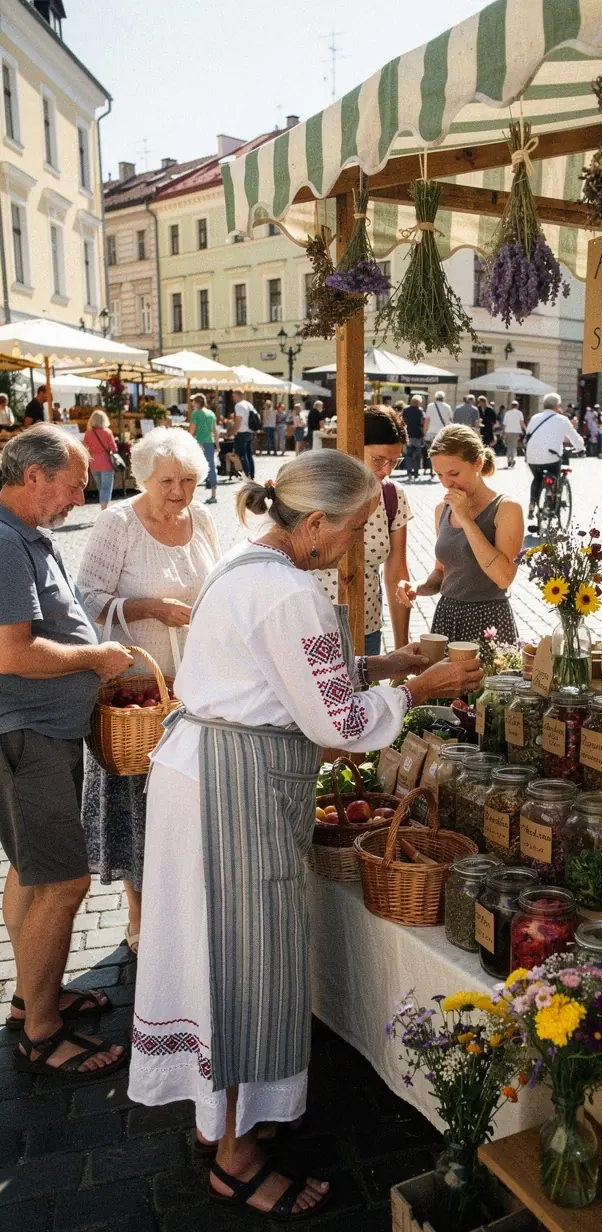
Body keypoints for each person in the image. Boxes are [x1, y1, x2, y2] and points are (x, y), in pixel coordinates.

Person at [127, 451, 482, 1214]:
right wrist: (418, 687)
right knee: (246, 959)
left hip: (203, 773)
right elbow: (340, 724)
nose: (355, 549)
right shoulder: (291, 592)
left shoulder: (244, 562)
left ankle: (219, 1115)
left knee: (212, 951)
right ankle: (237, 1157)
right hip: (235, 790)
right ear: (316, 523)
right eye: (353, 532)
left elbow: (280, 672)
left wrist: (381, 662)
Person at [0, 425, 133, 1076]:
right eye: (74, 484)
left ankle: (35, 996)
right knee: (63, 882)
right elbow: (12, 652)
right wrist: (96, 657)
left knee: (32, 872)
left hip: (40, 732)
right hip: (28, 734)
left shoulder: (27, 534)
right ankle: (42, 1032)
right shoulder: (6, 543)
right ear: (34, 477)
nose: (81, 496)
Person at [78, 427, 220, 954]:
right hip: (135, 693)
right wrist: (149, 609)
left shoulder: (203, 518)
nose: (179, 492)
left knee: (185, 804)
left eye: (188, 480)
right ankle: (139, 914)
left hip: (192, 688)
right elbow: (86, 597)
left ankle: (184, 906)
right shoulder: (118, 522)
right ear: (144, 478)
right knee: (136, 806)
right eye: (167, 482)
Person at [397, 425, 524, 642]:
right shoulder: (442, 510)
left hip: (489, 619)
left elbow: (504, 578)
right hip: (448, 616)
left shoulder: (506, 508)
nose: (446, 483)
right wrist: (417, 587)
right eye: (439, 475)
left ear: (478, 463)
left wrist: (466, 520)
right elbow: (442, 573)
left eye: (454, 473)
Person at [316, 406, 412, 654]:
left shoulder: (393, 495)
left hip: (367, 628)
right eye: (378, 460)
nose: (387, 470)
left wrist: (401, 649)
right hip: (313, 628)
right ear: (354, 449)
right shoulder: (319, 489)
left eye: (394, 461)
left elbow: (396, 574)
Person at [523, 393, 584, 530]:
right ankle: (552, 503)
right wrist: (581, 448)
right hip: (551, 457)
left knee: (537, 477)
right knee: (554, 476)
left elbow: (527, 435)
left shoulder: (535, 418)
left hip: (532, 456)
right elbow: (574, 438)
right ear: (557, 406)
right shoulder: (562, 419)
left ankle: (533, 502)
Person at [83, 410, 118, 511]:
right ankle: (104, 509)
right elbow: (114, 448)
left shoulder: (88, 433)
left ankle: (103, 507)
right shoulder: (107, 432)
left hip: (94, 463)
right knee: (106, 487)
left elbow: (85, 447)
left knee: (100, 487)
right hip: (106, 463)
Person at [188, 394, 218, 504]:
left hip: (199, 444)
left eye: (193, 402)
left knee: (194, 468)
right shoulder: (211, 414)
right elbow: (215, 431)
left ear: (196, 403)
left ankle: (191, 495)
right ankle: (213, 495)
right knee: (211, 467)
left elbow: (192, 431)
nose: (192, 404)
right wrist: (217, 445)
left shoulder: (196, 413)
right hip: (210, 443)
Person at [229, 390, 256, 480]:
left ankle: (247, 476)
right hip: (249, 432)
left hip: (242, 433)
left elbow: (238, 420)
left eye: (233, 396)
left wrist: (234, 431)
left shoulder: (239, 405)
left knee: (242, 455)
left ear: (237, 396)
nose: (232, 398)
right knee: (249, 455)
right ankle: (252, 475)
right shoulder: (248, 404)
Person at [402, 395, 427, 480]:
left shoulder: (406, 410)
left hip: (408, 434)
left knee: (408, 455)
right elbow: (423, 421)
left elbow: (403, 421)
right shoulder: (420, 410)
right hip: (417, 435)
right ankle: (416, 472)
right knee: (417, 455)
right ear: (419, 402)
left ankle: (409, 472)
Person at [502, 401, 525, 468]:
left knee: (509, 446)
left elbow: (505, 424)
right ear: (517, 406)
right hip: (516, 432)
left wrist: (503, 432)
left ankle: (508, 460)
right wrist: (526, 429)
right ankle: (512, 459)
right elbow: (521, 423)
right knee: (514, 446)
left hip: (508, 431)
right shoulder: (519, 413)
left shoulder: (507, 413)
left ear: (511, 406)